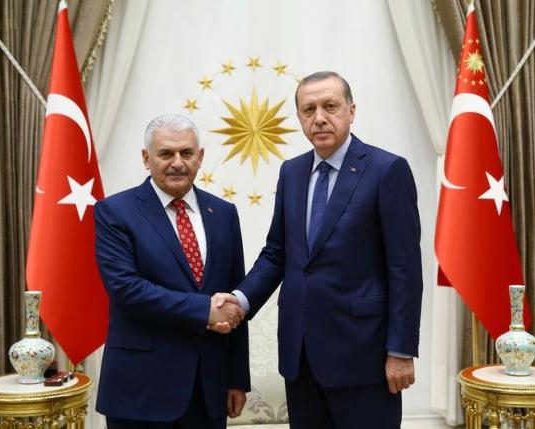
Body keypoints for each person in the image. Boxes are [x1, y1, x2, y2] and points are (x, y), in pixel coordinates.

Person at [232, 71, 423, 428]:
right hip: (300, 355)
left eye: (330, 106)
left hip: (364, 357)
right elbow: (277, 254)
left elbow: (405, 269)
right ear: (300, 117)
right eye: (308, 109)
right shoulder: (292, 172)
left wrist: (400, 351)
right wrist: (240, 301)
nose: (319, 117)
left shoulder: (387, 170)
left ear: (351, 111)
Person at [94, 114, 250, 429]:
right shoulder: (115, 212)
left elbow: (234, 295)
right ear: (146, 158)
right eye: (166, 154)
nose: (177, 163)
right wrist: (203, 309)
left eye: (186, 153)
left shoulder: (223, 213)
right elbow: (127, 290)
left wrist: (236, 378)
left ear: (200, 157)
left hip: (208, 390)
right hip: (140, 390)